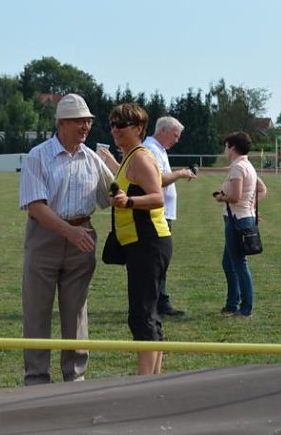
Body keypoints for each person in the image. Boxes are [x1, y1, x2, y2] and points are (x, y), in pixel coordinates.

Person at [18, 93, 113, 386]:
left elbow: (111, 194)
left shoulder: (92, 158)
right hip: (45, 238)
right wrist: (69, 232)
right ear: (61, 123)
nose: (85, 126)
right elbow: (36, 205)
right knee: (37, 311)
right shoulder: (38, 156)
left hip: (81, 238)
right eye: (78, 121)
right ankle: (36, 380)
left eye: (88, 121)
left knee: (76, 313)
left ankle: (75, 378)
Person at [101, 117, 196, 317]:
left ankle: (159, 301)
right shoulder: (149, 150)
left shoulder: (157, 149)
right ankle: (160, 302)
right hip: (150, 220)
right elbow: (157, 181)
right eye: (175, 135)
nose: (177, 140)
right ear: (163, 130)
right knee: (151, 268)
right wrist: (179, 174)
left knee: (155, 267)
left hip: (157, 216)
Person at [108, 103, 172, 375]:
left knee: (142, 314)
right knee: (148, 312)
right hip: (141, 244)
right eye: (112, 124)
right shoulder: (130, 156)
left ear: (138, 128)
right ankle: (153, 380)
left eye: (121, 125)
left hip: (149, 242)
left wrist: (128, 201)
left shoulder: (140, 158)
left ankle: (145, 382)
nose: (115, 130)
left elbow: (158, 197)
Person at [214, 131, 267, 318]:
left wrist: (221, 198)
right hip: (243, 217)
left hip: (236, 219)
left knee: (239, 264)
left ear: (233, 147)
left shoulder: (237, 168)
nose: (225, 150)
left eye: (226, 146)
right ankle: (232, 303)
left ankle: (245, 308)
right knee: (229, 264)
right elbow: (262, 189)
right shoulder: (247, 165)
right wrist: (251, 206)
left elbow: (235, 197)